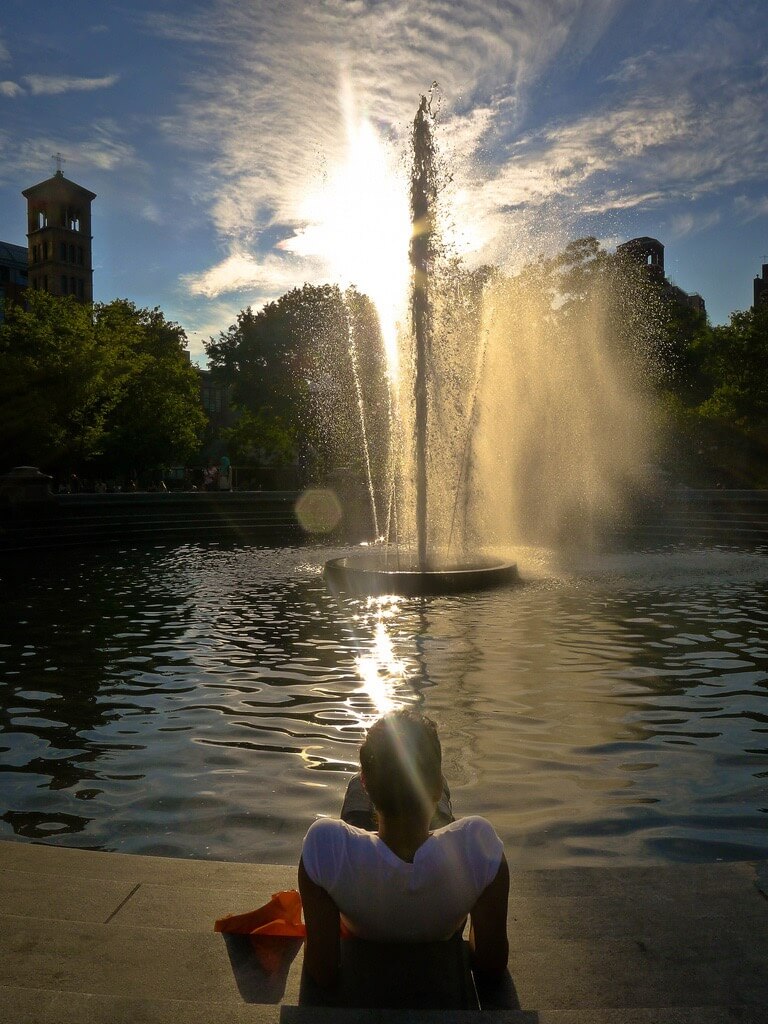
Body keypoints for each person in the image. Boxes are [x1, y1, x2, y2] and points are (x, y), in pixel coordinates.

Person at [298, 710, 509, 990]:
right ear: (433, 790)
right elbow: (491, 966)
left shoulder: (325, 846)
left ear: (368, 786)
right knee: (436, 805)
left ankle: (389, 786)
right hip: (446, 887)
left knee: (354, 791)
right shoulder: (478, 846)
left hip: (360, 889)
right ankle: (423, 796)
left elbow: (322, 971)